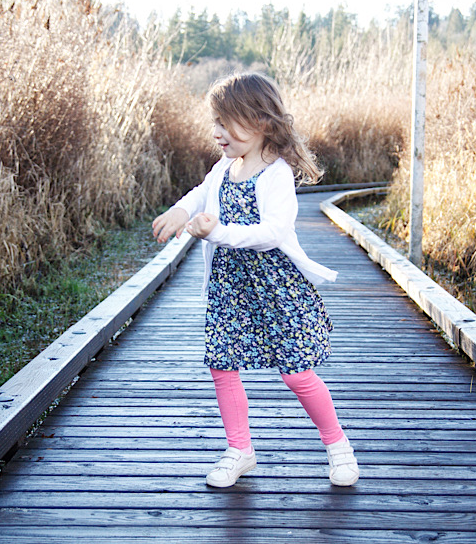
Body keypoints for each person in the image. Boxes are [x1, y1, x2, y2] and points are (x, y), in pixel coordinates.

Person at [151, 72, 359, 488]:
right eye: (215, 123)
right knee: (222, 365)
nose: (217, 133)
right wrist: (181, 211)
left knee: (296, 372)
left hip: (276, 287)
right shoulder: (225, 166)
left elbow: (273, 233)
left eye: (226, 123)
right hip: (230, 287)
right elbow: (202, 192)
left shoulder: (275, 173)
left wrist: (217, 232)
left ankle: (339, 448)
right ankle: (239, 450)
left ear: (261, 121)